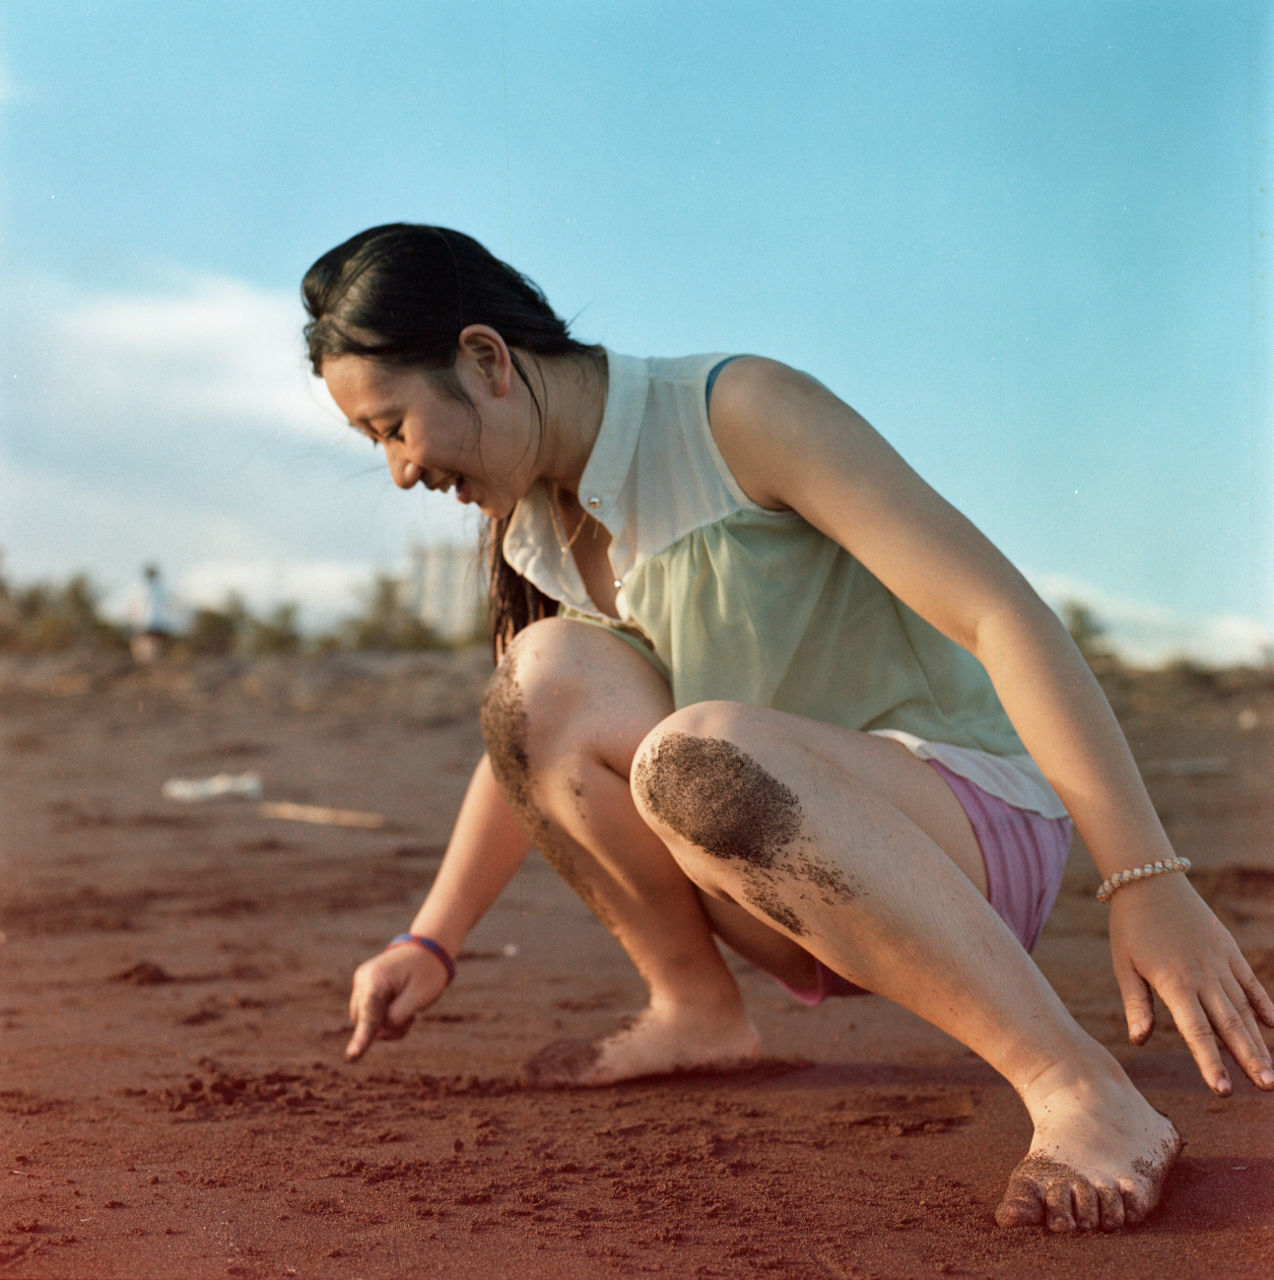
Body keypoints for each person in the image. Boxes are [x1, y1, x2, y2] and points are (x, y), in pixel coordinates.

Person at [301, 223, 1272, 1234]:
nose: (401, 471)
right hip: (755, 849)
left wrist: (1144, 879)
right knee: (537, 675)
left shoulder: (738, 411)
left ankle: (1079, 1087)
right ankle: (695, 1012)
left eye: (392, 426)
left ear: (485, 359)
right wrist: (431, 938)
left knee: (691, 753)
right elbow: (530, 745)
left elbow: (1000, 613)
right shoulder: (541, 525)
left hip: (958, 834)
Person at [128, 563, 174, 664]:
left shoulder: (143, 589)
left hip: (150, 622)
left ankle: (151, 663)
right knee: (150, 644)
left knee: (151, 644)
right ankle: (149, 663)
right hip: (152, 622)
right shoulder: (158, 589)